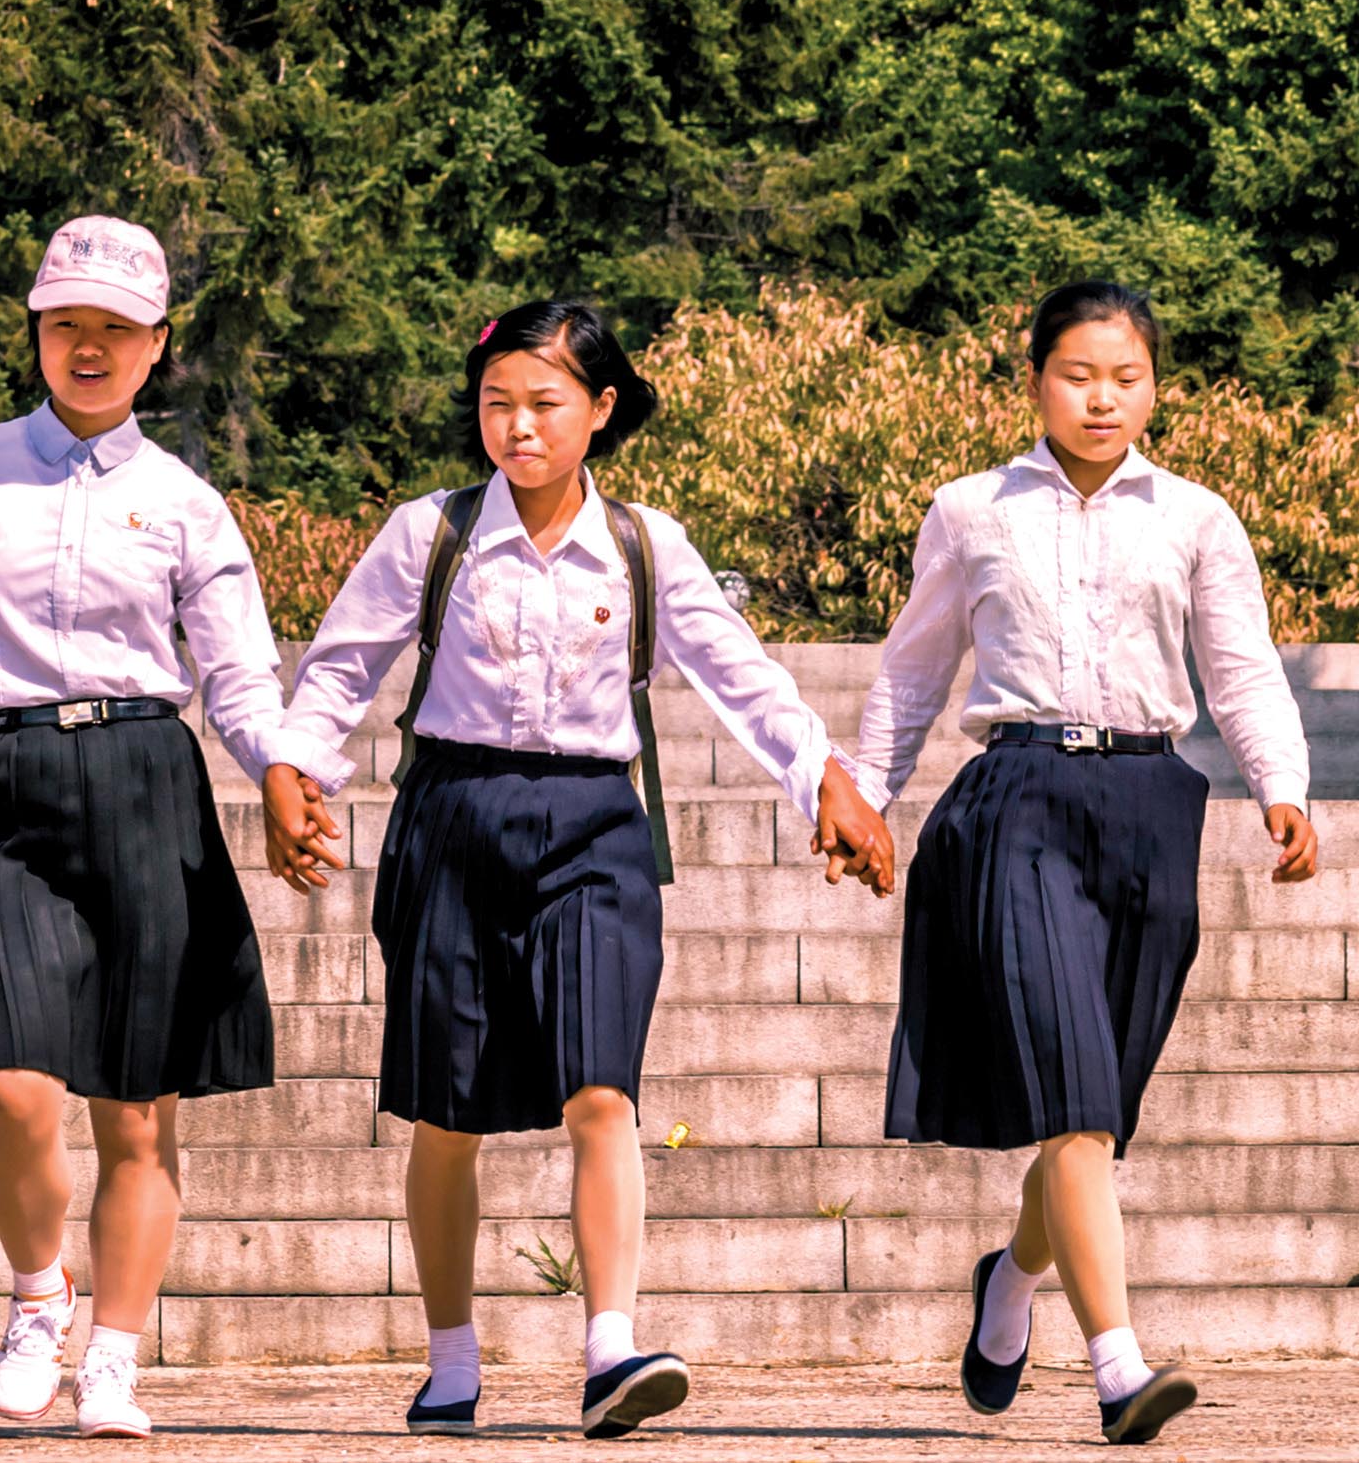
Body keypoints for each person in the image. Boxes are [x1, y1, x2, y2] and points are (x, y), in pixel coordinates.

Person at [260, 300, 890, 1442]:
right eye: (496, 403)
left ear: (598, 411)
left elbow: (740, 679)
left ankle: (609, 1347)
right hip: (449, 816)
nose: (517, 427)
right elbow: (342, 669)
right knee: (443, 1116)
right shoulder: (431, 532)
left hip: (597, 827)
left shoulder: (645, 545)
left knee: (601, 1087)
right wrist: (295, 767)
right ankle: (451, 1360)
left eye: (544, 403)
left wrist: (826, 780)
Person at [0, 216, 299, 1440]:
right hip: (5, 786)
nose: (88, 348)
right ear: (35, 331)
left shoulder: (183, 500)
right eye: (66, 324)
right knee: (18, 1082)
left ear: (155, 347)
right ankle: (40, 1293)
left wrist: (280, 767)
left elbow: (236, 668)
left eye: (115, 331)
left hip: (145, 784)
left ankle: (116, 1355)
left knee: (136, 1106)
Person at [848, 281, 1321, 1447]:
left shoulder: (1198, 519)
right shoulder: (969, 511)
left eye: (1124, 377)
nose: (1100, 397)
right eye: (1075, 374)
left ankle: (1009, 1279)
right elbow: (913, 669)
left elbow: (1242, 669)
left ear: (1153, 387)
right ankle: (1117, 1367)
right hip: (1015, 802)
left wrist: (1283, 786)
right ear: (1033, 384)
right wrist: (861, 795)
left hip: (1150, 805)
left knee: (1093, 1119)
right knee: (1069, 1100)